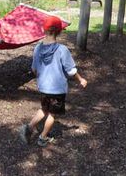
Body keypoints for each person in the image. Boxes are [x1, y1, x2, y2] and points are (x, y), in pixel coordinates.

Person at [19, 15, 87, 147]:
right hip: (57, 89)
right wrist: (81, 79)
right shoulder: (62, 50)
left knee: (44, 108)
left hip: (44, 87)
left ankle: (28, 127)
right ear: (59, 31)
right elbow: (71, 70)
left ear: (44, 30)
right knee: (52, 113)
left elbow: (34, 69)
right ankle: (43, 137)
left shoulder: (38, 48)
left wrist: (41, 77)